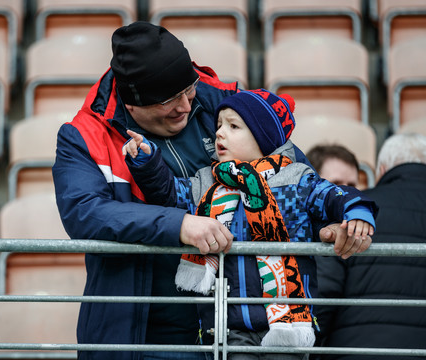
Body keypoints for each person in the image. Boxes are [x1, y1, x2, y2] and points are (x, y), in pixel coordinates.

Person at [52, 21, 372, 360]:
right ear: (131, 105)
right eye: (168, 100)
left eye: (188, 90)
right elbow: (85, 213)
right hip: (143, 332)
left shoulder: (225, 100)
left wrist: (326, 220)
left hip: (233, 325)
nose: (186, 106)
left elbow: (291, 174)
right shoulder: (83, 135)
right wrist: (180, 224)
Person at [123, 89, 378, 359]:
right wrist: (148, 162)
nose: (220, 133)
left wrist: (358, 211)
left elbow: (333, 196)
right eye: (219, 125)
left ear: (262, 137)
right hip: (228, 326)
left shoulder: (296, 179)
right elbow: (170, 194)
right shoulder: (206, 181)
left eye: (233, 126)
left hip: (288, 322)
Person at [314, 133, 426, 360]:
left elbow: (323, 295)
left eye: (352, 185)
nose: (344, 193)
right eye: (335, 185)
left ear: (381, 171)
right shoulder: (353, 213)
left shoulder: (353, 215)